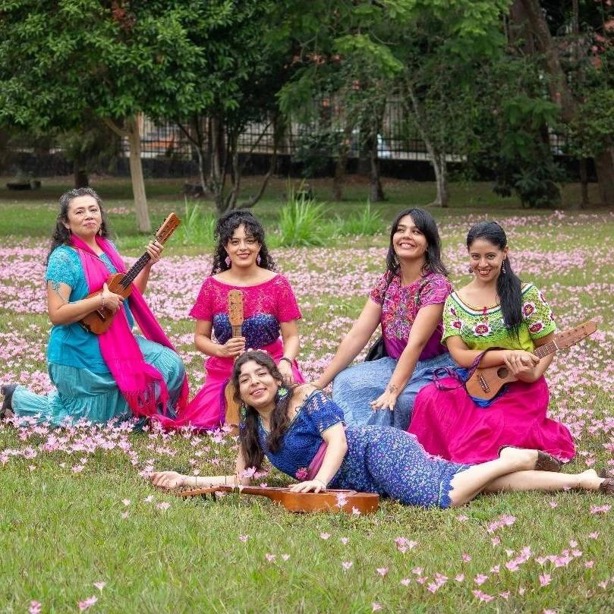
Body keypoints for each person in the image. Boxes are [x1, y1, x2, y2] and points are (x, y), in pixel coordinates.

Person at [150, 351, 613, 508]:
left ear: (277, 378)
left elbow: (338, 440)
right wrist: (187, 480)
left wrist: (322, 482)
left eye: (261, 375)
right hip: (359, 476)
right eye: (245, 380)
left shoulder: (305, 397)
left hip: (375, 452)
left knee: (443, 496)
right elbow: (241, 481)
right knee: (482, 487)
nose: (254, 383)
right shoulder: (252, 429)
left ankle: (509, 457)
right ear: (239, 391)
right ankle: (583, 480)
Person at [0, 188, 187, 426]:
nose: (88, 215)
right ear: (66, 223)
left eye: (93, 209)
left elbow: (129, 294)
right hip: (77, 353)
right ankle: (18, 399)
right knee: (86, 418)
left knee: (170, 364)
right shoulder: (64, 258)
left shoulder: (107, 248)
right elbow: (56, 314)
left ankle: (142, 416)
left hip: (114, 341)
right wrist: (99, 300)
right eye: (79, 211)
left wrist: (147, 265)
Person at [408, 221, 576, 464]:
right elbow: (459, 355)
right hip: (473, 382)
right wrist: (505, 355)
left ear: (504, 253)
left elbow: (548, 344)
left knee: (492, 428)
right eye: (476, 256)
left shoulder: (525, 294)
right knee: (429, 398)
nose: (483, 264)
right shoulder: (455, 301)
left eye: (490, 256)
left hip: (521, 388)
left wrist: (533, 372)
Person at [313, 208, 454, 431]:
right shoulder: (389, 280)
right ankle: (358, 439)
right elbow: (357, 335)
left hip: (433, 367)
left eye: (416, 231)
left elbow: (415, 344)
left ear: (428, 243)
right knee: (346, 381)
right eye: (400, 230)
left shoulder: (436, 286)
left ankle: (384, 444)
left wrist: (392, 389)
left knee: (400, 402)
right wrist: (319, 383)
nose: (406, 236)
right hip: (393, 363)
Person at [167, 210, 303, 431]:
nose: (243, 248)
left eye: (250, 241)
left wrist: (286, 362)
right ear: (226, 247)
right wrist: (221, 350)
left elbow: (292, 336)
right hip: (227, 369)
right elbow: (200, 338)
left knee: (291, 412)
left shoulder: (278, 284)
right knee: (210, 419)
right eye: (235, 242)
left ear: (259, 245)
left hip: (272, 364)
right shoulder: (212, 286)